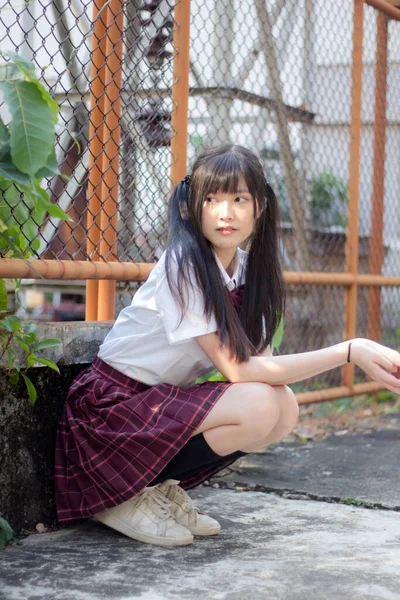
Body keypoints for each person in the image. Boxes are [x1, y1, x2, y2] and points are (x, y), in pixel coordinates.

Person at [54, 144, 400, 547]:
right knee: (259, 403)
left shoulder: (251, 271)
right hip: (109, 412)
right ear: (193, 206)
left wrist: (349, 352)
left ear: (260, 208)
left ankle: (158, 487)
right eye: (212, 199)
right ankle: (120, 495)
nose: (225, 213)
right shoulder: (183, 264)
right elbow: (239, 372)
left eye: (239, 199)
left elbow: (263, 370)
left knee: (282, 406)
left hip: (158, 405)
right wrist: (349, 351)